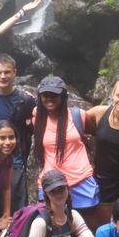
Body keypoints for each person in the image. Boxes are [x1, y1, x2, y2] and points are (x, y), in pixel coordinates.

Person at [31, 75, 100, 215]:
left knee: (86, 228)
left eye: (54, 95)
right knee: (54, 228)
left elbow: (97, 132)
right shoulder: (38, 117)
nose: (49, 98)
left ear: (63, 96)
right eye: (45, 95)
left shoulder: (78, 116)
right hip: (51, 182)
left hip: (81, 180)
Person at [0, 54, 36, 214]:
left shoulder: (26, 100)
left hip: (14, 162)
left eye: (7, 72)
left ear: (15, 72)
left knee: (15, 212)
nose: (3, 76)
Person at [82, 78, 119, 231]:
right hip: (103, 180)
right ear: (113, 95)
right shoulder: (99, 113)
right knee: (105, 227)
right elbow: (73, 122)